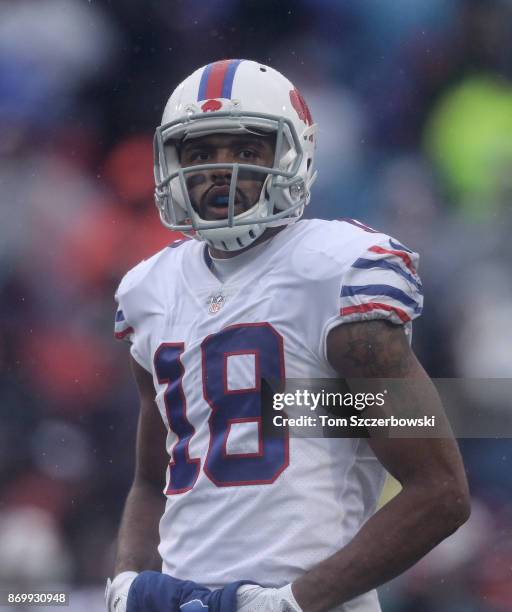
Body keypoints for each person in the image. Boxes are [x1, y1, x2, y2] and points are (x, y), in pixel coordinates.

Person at [105, 59, 470, 612]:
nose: (218, 171)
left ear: (292, 153)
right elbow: (152, 480)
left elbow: (440, 492)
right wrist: (128, 577)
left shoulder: (338, 271)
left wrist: (292, 601)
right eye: (200, 153)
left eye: (245, 151)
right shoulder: (148, 291)